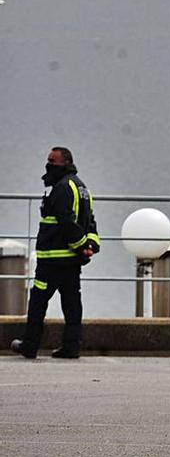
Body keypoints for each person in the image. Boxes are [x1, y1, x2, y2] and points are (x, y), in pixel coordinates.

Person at [10, 147, 100, 360]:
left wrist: (80, 246)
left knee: (38, 300)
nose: (48, 164)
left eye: (52, 160)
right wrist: (90, 246)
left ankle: (29, 345)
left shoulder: (62, 187)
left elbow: (66, 222)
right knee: (71, 302)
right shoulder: (82, 188)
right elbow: (90, 222)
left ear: (65, 162)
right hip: (71, 261)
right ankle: (71, 347)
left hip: (52, 260)